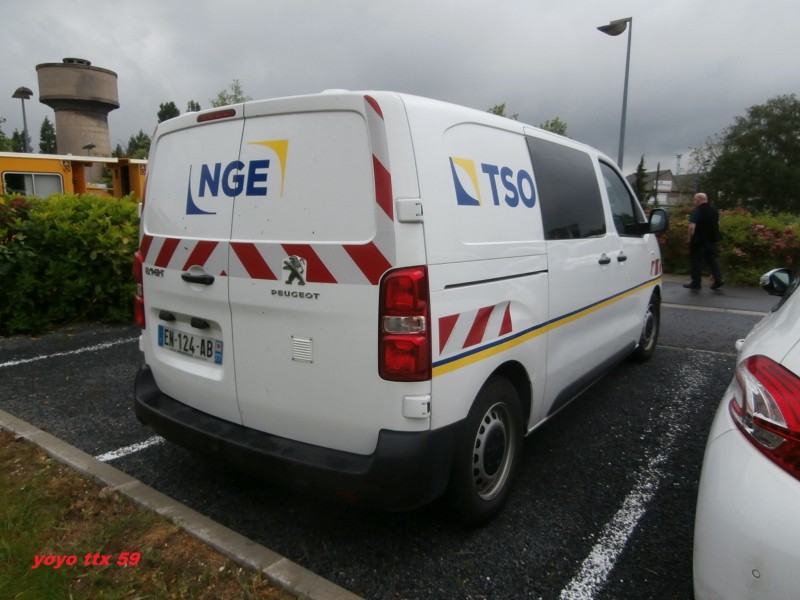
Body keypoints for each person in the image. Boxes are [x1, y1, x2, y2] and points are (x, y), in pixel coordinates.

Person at [684, 192, 724, 290]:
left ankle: (696, 283)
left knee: (697, 261)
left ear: (698, 200)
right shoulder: (714, 211)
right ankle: (718, 280)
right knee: (712, 260)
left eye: (694, 200)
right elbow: (718, 225)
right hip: (712, 240)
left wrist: (689, 238)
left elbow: (692, 227)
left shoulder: (697, 211)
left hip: (699, 240)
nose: (694, 202)